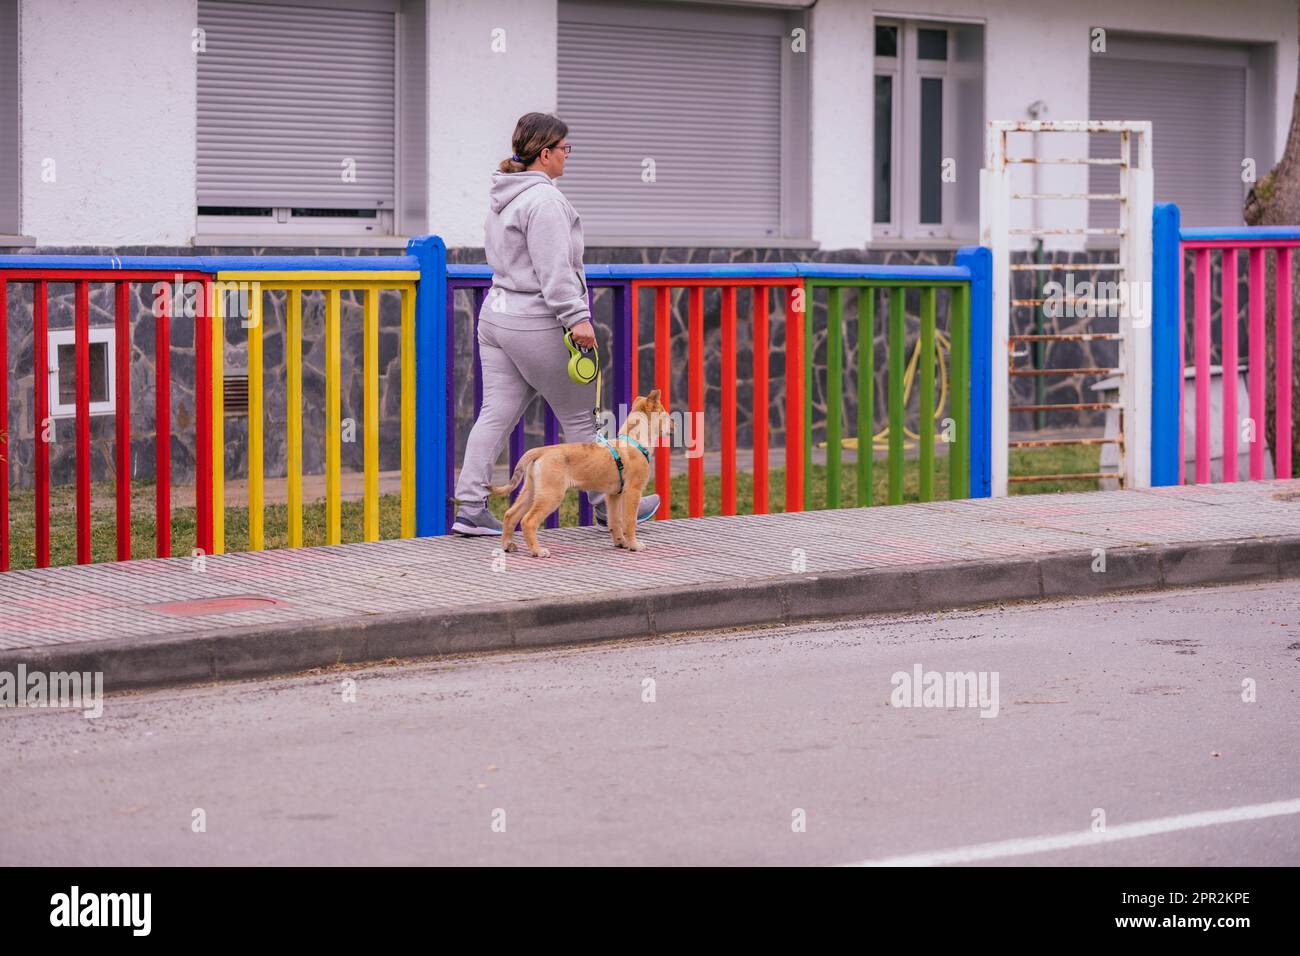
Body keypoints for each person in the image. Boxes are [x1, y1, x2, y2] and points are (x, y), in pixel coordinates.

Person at [452, 111, 660, 536]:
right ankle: (610, 507)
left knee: (495, 413)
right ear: (544, 154)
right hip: (536, 319)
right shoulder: (544, 201)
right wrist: (577, 317)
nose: (568, 156)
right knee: (582, 418)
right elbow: (554, 270)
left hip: (497, 316)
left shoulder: (503, 196)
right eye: (565, 149)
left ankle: (470, 506)